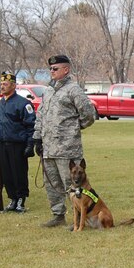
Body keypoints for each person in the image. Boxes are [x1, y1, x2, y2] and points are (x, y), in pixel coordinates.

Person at [32, 55, 96, 228]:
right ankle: (58, 215)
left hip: (68, 148)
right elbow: (41, 115)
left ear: (66, 70)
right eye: (50, 69)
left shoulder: (73, 89)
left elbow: (89, 114)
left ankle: (80, 219)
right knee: (52, 184)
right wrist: (37, 137)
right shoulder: (49, 90)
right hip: (48, 147)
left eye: (55, 69)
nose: (51, 72)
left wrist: (74, 128)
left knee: (72, 184)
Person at [0, 70, 36, 213]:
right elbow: (2, 122)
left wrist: (30, 144)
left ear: (13, 85)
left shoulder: (23, 103)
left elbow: (31, 126)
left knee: (18, 173)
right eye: (1, 84)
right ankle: (12, 199)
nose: (2, 87)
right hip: (3, 144)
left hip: (17, 145)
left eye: (5, 84)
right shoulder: (2, 103)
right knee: (6, 174)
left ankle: (21, 200)